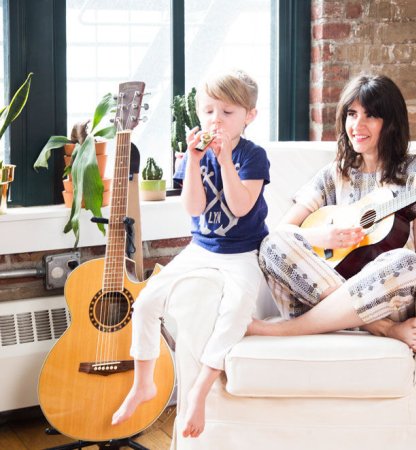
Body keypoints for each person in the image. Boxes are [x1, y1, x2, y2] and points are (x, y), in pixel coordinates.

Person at [248, 74, 416, 351]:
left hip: (380, 297)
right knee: (272, 244)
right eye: (351, 114)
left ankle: (288, 330)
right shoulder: (336, 173)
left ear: (391, 122)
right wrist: (321, 237)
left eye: (370, 115)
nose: (357, 125)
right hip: (319, 291)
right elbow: (283, 232)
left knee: (408, 262)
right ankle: (382, 330)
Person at [111, 69, 270, 439]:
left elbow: (241, 206)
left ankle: (199, 386)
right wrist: (196, 161)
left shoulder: (252, 156)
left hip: (243, 252)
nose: (217, 120)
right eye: (210, 111)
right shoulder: (192, 156)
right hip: (200, 249)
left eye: (228, 113)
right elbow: (194, 207)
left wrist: (226, 159)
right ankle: (143, 382)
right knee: (147, 302)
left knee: (235, 310)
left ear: (250, 116)